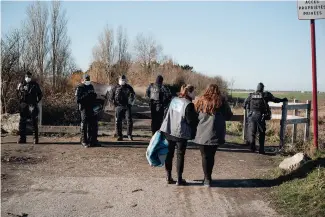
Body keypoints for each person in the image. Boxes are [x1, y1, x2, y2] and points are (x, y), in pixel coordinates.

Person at [193, 84, 233, 187]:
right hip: (216, 132)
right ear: (217, 90)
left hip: (202, 132)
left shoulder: (200, 100)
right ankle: (208, 178)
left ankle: (206, 178)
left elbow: (194, 114)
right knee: (211, 155)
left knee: (204, 156)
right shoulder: (221, 101)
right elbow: (228, 115)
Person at [160, 84, 198, 186]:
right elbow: (191, 121)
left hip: (169, 130)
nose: (195, 94)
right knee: (180, 156)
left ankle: (168, 176)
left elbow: (168, 113)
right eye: (194, 92)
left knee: (169, 154)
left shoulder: (175, 100)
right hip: (180, 133)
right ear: (189, 92)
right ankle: (179, 179)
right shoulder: (189, 104)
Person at [243, 82, 288, 154]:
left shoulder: (251, 95)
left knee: (252, 132)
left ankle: (252, 148)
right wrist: (282, 100)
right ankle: (261, 150)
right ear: (262, 88)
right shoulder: (265, 95)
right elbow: (275, 99)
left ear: (257, 88)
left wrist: (249, 108)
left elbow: (244, 105)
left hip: (251, 116)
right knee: (261, 133)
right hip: (261, 116)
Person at [17, 71, 43, 144]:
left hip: (32, 105)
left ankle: (35, 139)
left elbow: (40, 94)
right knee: (22, 122)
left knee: (34, 122)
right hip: (24, 105)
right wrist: (21, 102)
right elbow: (17, 93)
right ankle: (22, 138)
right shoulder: (21, 84)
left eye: (29, 76)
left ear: (31, 77)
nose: (28, 78)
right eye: (27, 76)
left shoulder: (35, 85)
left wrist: (36, 102)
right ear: (25, 76)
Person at [75, 74, 99, 148]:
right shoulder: (80, 87)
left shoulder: (91, 86)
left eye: (89, 80)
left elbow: (93, 97)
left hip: (91, 107)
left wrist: (94, 96)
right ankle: (84, 141)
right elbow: (77, 100)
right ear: (83, 80)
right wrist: (87, 95)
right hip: (84, 108)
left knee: (93, 124)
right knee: (84, 124)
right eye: (86, 80)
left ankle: (92, 141)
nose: (87, 81)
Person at [110, 75, 135, 141]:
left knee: (129, 121)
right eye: (121, 80)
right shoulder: (115, 87)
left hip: (127, 106)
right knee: (118, 121)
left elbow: (133, 96)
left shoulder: (129, 87)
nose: (123, 81)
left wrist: (131, 104)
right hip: (118, 106)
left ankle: (129, 135)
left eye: (124, 80)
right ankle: (119, 136)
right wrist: (115, 105)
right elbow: (110, 98)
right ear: (119, 80)